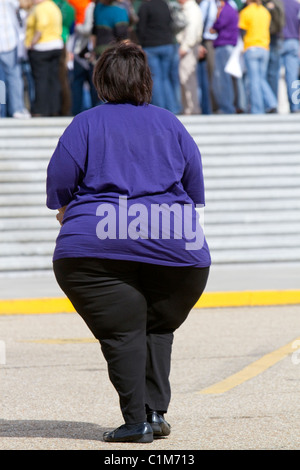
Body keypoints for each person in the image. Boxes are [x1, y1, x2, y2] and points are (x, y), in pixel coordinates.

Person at [46, 41, 210, 443]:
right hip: (178, 248)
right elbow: (195, 187)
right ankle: (154, 414)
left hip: (94, 247)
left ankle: (136, 422)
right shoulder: (170, 123)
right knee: (157, 327)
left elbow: (60, 184)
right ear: (145, 81)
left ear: (101, 80)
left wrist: (67, 210)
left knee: (123, 333)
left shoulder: (85, 124)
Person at [136, 0, 180, 114]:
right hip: (167, 44)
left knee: (156, 78)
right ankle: (173, 108)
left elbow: (141, 28)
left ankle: (160, 110)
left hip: (151, 46)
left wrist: (141, 42)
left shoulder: (145, 6)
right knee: (166, 78)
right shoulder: (165, 4)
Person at [25, 0, 64, 116]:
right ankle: (54, 109)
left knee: (41, 79)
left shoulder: (40, 8)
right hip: (56, 45)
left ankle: (40, 109)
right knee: (53, 79)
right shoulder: (54, 6)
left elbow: (41, 26)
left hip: (42, 47)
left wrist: (32, 42)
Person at [239, 0, 278, 114]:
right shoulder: (265, 11)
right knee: (261, 79)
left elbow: (242, 32)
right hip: (264, 47)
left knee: (254, 80)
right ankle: (272, 102)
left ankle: (257, 110)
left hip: (251, 47)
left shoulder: (246, 12)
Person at [0, 0, 31, 119]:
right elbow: (24, 4)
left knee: (1, 82)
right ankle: (16, 108)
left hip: (7, 41)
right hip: (7, 42)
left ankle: (2, 111)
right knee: (14, 77)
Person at [70, 0, 99, 115]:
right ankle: (92, 110)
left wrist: (78, 27)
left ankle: (77, 111)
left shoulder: (91, 7)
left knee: (79, 82)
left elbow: (87, 29)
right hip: (89, 51)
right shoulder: (96, 7)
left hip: (85, 51)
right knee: (92, 83)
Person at [210, 0, 239, 114]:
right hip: (226, 46)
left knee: (223, 79)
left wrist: (217, 15)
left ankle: (227, 107)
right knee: (225, 78)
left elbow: (218, 25)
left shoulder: (226, 10)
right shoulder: (230, 9)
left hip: (224, 46)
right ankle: (228, 106)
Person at [176, 0, 203, 114]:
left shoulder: (192, 9)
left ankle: (191, 109)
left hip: (188, 48)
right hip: (187, 47)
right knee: (185, 79)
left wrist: (185, 47)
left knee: (187, 78)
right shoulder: (185, 8)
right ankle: (188, 108)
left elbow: (192, 30)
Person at [280, 0, 300, 113]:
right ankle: (295, 107)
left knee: (273, 75)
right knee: (292, 77)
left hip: (279, 41)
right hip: (294, 41)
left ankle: (274, 104)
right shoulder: (296, 5)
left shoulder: (277, 4)